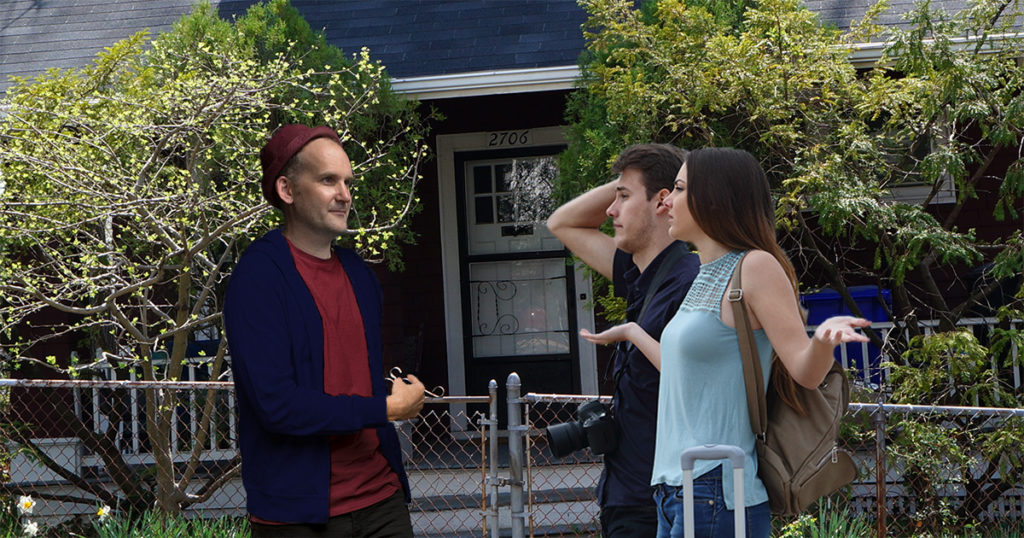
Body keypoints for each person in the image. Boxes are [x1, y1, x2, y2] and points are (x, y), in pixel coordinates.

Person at [581, 147, 870, 538]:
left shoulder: (754, 266)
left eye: (679, 189)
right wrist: (633, 332)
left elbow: (804, 372)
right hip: (673, 486)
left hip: (715, 484)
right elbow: (686, 373)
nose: (667, 200)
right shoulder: (702, 272)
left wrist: (821, 341)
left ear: (712, 199)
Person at [224, 124, 425, 537]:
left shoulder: (360, 275)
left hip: (381, 500)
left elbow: (358, 378)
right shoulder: (259, 277)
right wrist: (386, 409)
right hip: (296, 514)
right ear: (287, 190)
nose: (345, 195)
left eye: (348, 182)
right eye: (328, 180)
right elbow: (277, 406)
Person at [547, 144, 700, 537]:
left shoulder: (688, 283)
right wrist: (627, 179)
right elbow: (562, 224)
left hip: (663, 505)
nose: (611, 211)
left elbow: (699, 382)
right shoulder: (639, 276)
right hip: (627, 495)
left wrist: (651, 176)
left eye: (624, 197)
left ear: (662, 200)